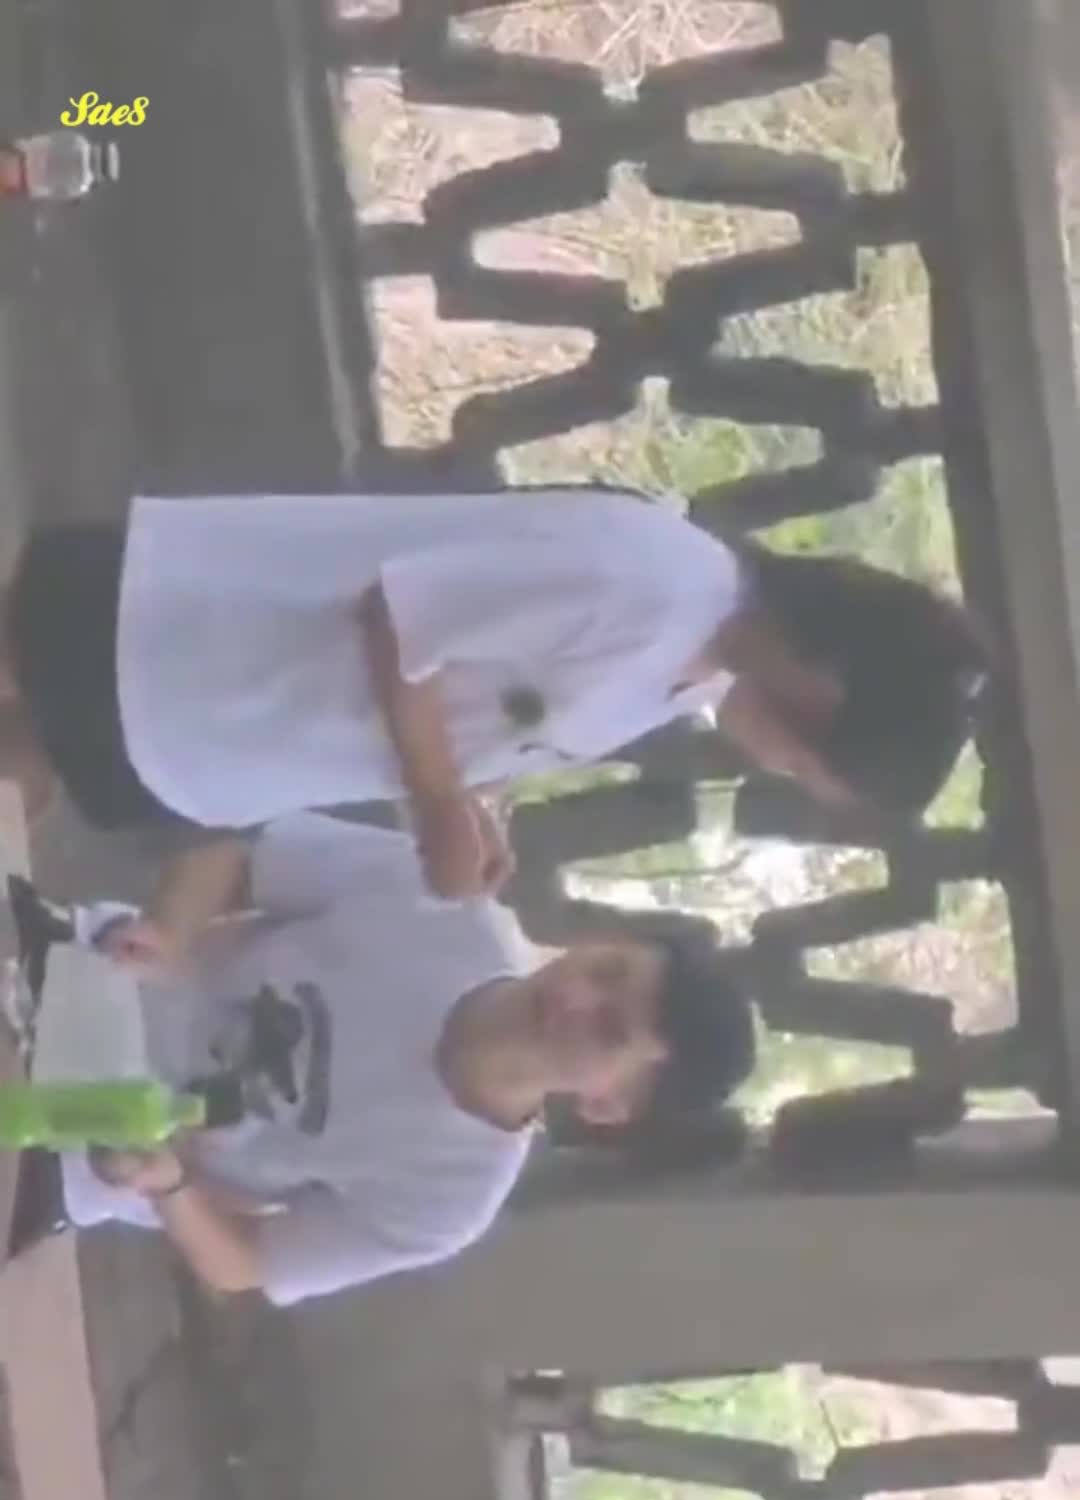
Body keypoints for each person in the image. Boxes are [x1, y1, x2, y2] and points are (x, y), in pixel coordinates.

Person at [0, 490, 985, 908]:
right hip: (180, 635)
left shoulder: (690, 671)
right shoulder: (648, 585)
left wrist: (473, 808)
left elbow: (491, 697)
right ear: (820, 689)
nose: (775, 767)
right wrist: (435, 802)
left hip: (220, 734)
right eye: (804, 765)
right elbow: (401, 617)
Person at [44, 812, 755, 1305]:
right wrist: (170, 930)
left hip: (78, 1146)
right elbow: (237, 861)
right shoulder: (446, 903)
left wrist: (168, 1186)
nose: (575, 998)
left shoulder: (449, 1198)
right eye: (605, 971)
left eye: (607, 1030)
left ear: (608, 1104)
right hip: (80, 973)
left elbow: (248, 1261)